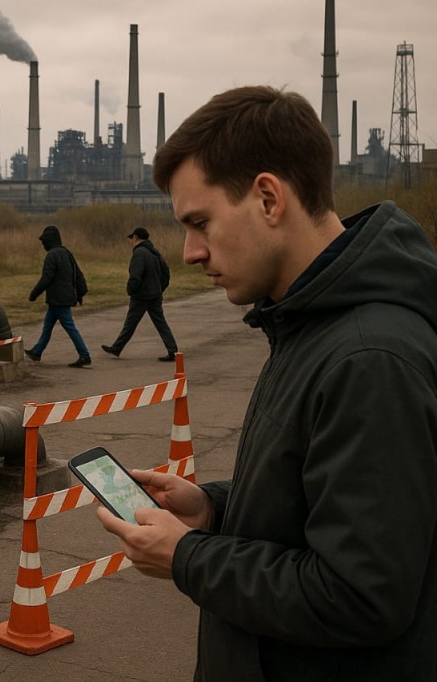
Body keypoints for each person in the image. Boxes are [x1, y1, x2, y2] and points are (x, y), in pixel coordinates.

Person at [95, 85, 437, 681]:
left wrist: (187, 557)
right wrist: (213, 509)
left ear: (269, 198)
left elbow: (359, 596)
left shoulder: (368, 358)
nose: (191, 252)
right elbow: (314, 508)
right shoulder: (306, 324)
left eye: (200, 222)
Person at [100, 226, 178, 361]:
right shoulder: (155, 253)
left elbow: (135, 276)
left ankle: (117, 348)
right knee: (160, 323)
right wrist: (160, 288)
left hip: (141, 296)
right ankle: (173, 350)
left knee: (130, 324)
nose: (131, 241)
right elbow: (166, 273)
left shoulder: (139, 253)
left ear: (135, 238)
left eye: (132, 238)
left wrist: (131, 290)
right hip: (155, 295)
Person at [24, 225, 91, 367]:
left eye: (44, 242)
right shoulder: (67, 253)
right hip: (61, 298)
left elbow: (46, 278)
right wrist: (81, 292)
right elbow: (78, 274)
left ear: (49, 241)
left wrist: (34, 294)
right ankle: (36, 352)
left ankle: (84, 355)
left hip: (58, 299)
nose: (42, 245)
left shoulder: (52, 255)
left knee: (70, 327)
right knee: (47, 326)